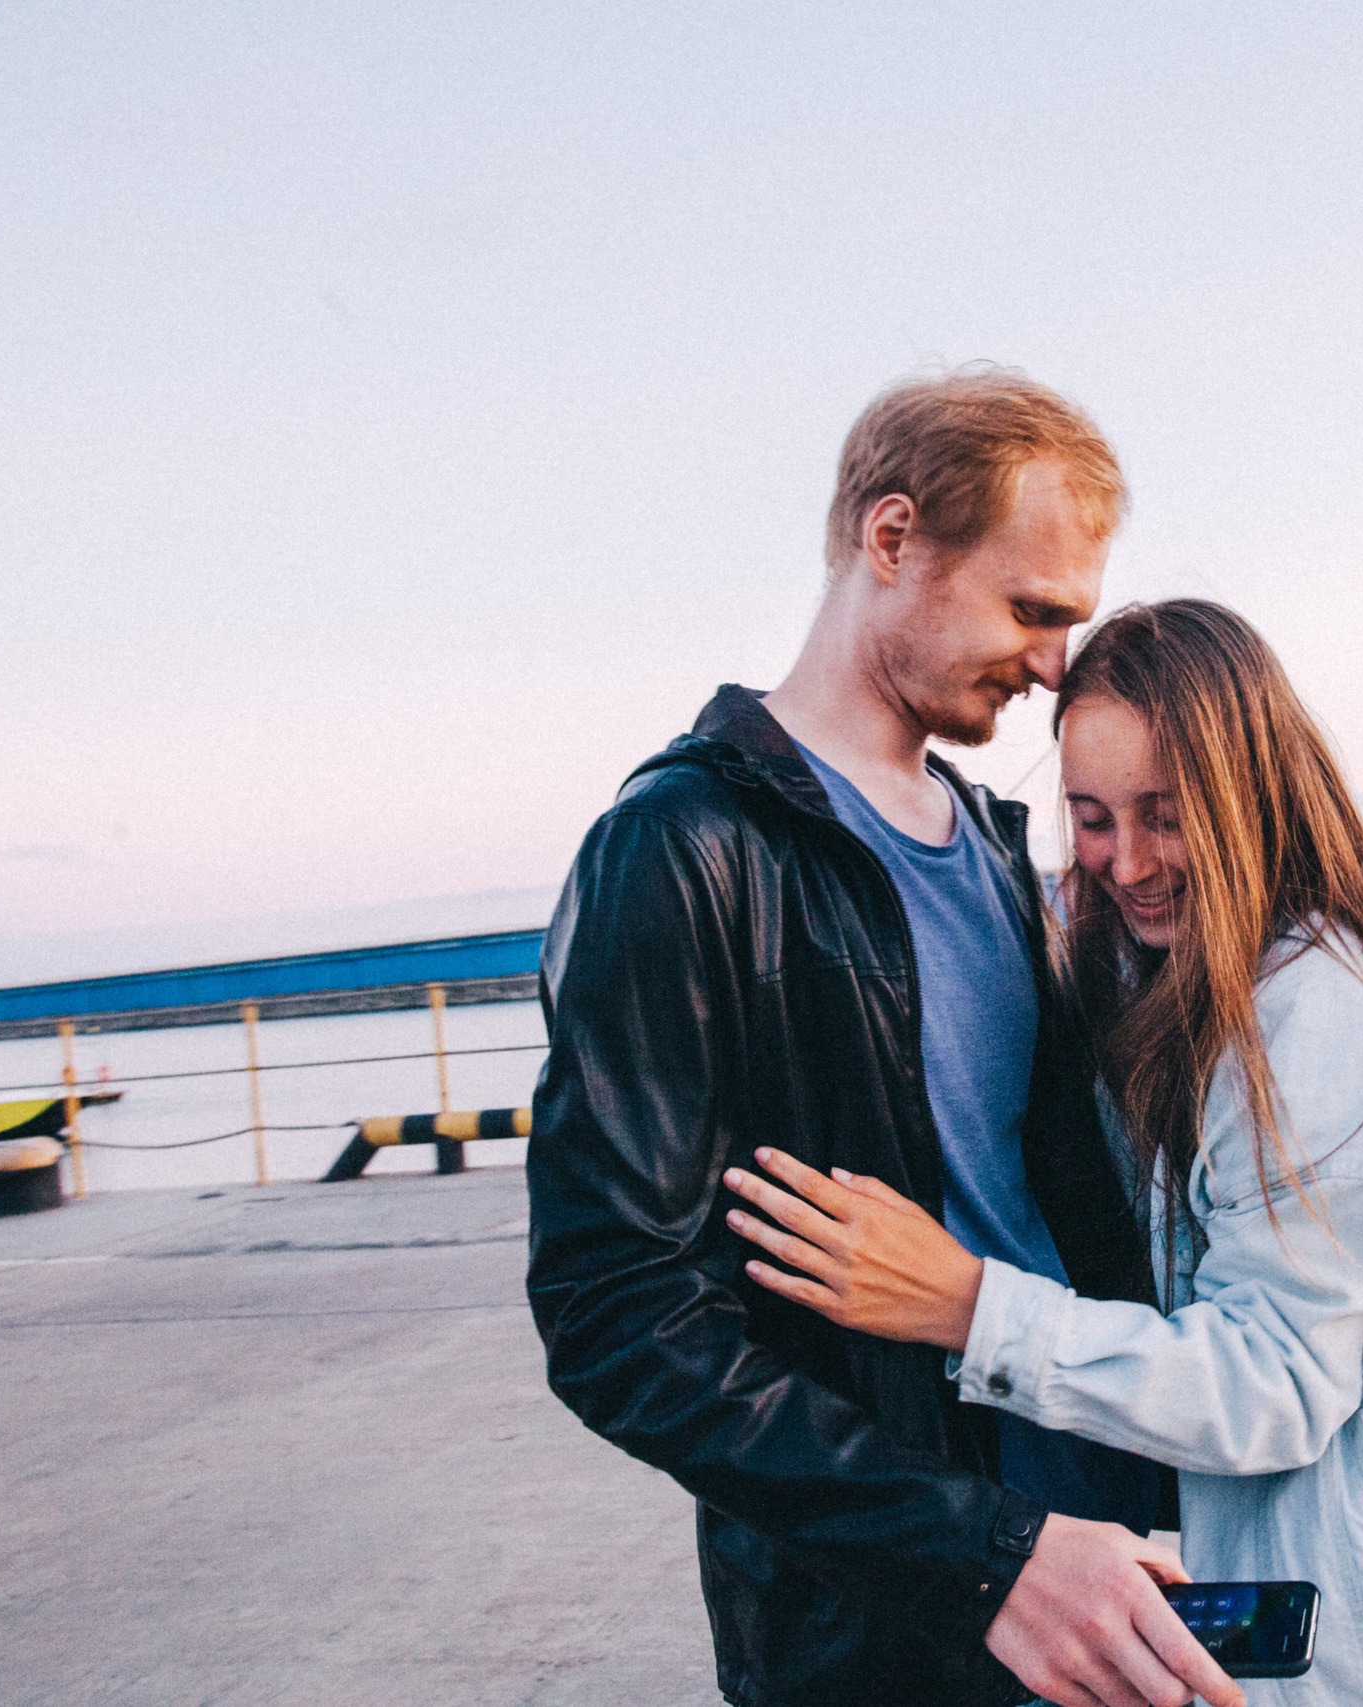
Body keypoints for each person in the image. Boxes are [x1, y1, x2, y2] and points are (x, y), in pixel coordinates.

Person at [722, 599, 1363, 1705]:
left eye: (1166, 813)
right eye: (1092, 817)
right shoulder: (1243, 975)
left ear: (1255, 788)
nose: (1126, 862)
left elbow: (1274, 1385)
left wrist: (967, 1305)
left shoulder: (1318, 1013)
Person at [527, 374, 1244, 1707]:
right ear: (893, 538)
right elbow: (612, 1310)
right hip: (899, 1632)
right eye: (1032, 610)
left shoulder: (987, 840)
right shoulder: (683, 850)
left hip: (1110, 1562)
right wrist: (986, 1556)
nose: (1050, 664)